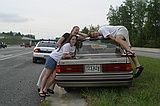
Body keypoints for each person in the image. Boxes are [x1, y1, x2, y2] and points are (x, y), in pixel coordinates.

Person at [36, 26, 88, 93]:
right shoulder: (66, 35)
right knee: (46, 74)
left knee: (55, 76)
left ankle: (47, 88)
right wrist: (62, 49)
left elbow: (85, 36)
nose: (76, 31)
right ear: (72, 29)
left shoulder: (76, 39)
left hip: (60, 59)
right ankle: (40, 87)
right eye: (76, 30)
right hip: (54, 57)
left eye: (78, 30)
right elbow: (58, 43)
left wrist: (79, 33)